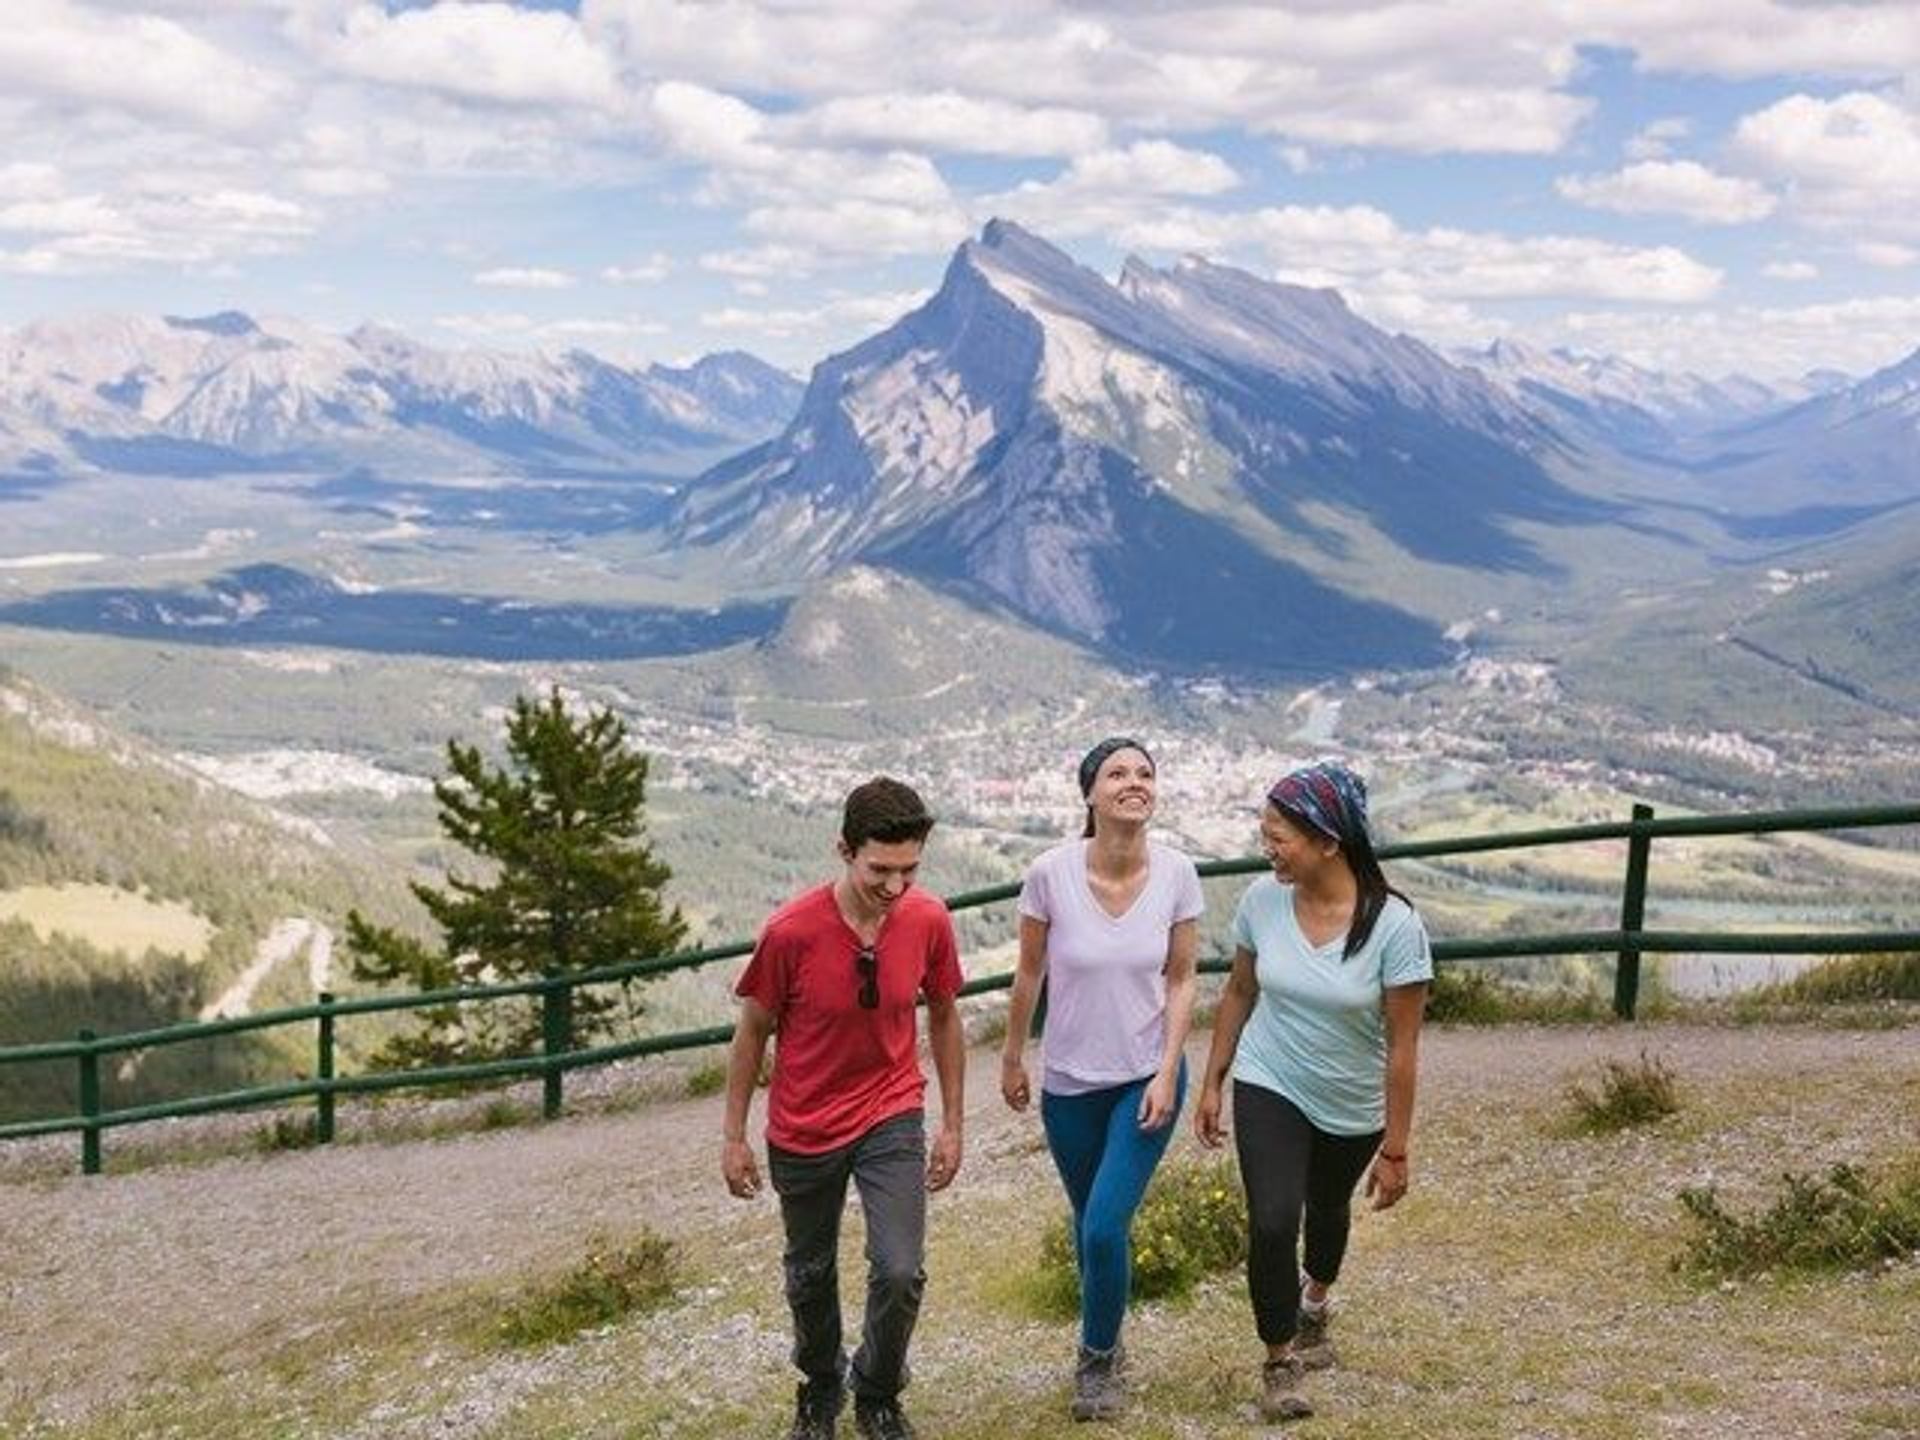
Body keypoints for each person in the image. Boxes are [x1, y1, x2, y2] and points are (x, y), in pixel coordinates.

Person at [722, 777, 966, 1440]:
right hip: (804, 1123)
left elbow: (944, 1015)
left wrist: (952, 1123)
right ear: (844, 850)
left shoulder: (928, 920)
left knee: (899, 1267)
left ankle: (878, 1392)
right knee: (809, 1270)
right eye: (879, 870)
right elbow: (752, 1030)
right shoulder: (790, 932)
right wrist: (734, 1136)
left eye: (909, 871)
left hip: (891, 1110)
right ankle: (821, 1383)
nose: (894, 887)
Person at [1194, 762, 1431, 1424]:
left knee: (1326, 1207)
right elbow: (1240, 991)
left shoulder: (1394, 927)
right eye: (1264, 833)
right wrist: (1214, 1078)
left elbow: (1404, 1046)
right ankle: (1279, 1361)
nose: (1268, 847)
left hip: (1350, 1102)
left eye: (1280, 837)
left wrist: (1397, 1147)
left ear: (1329, 840)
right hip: (1270, 1078)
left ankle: (1315, 1303)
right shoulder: (1260, 903)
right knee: (1272, 1221)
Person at [1000, 737, 1203, 1422]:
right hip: (1068, 1083)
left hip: (1145, 1078)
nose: (1134, 782)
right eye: (1117, 773)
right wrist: (1010, 1056)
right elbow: (1029, 973)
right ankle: (1110, 1340)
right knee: (1090, 1223)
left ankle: (1095, 1362)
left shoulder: (1177, 874)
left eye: (1145, 773)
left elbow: (1180, 980)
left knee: (1103, 1224)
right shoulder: (1049, 874)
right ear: (1089, 793)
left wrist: (1170, 1069)